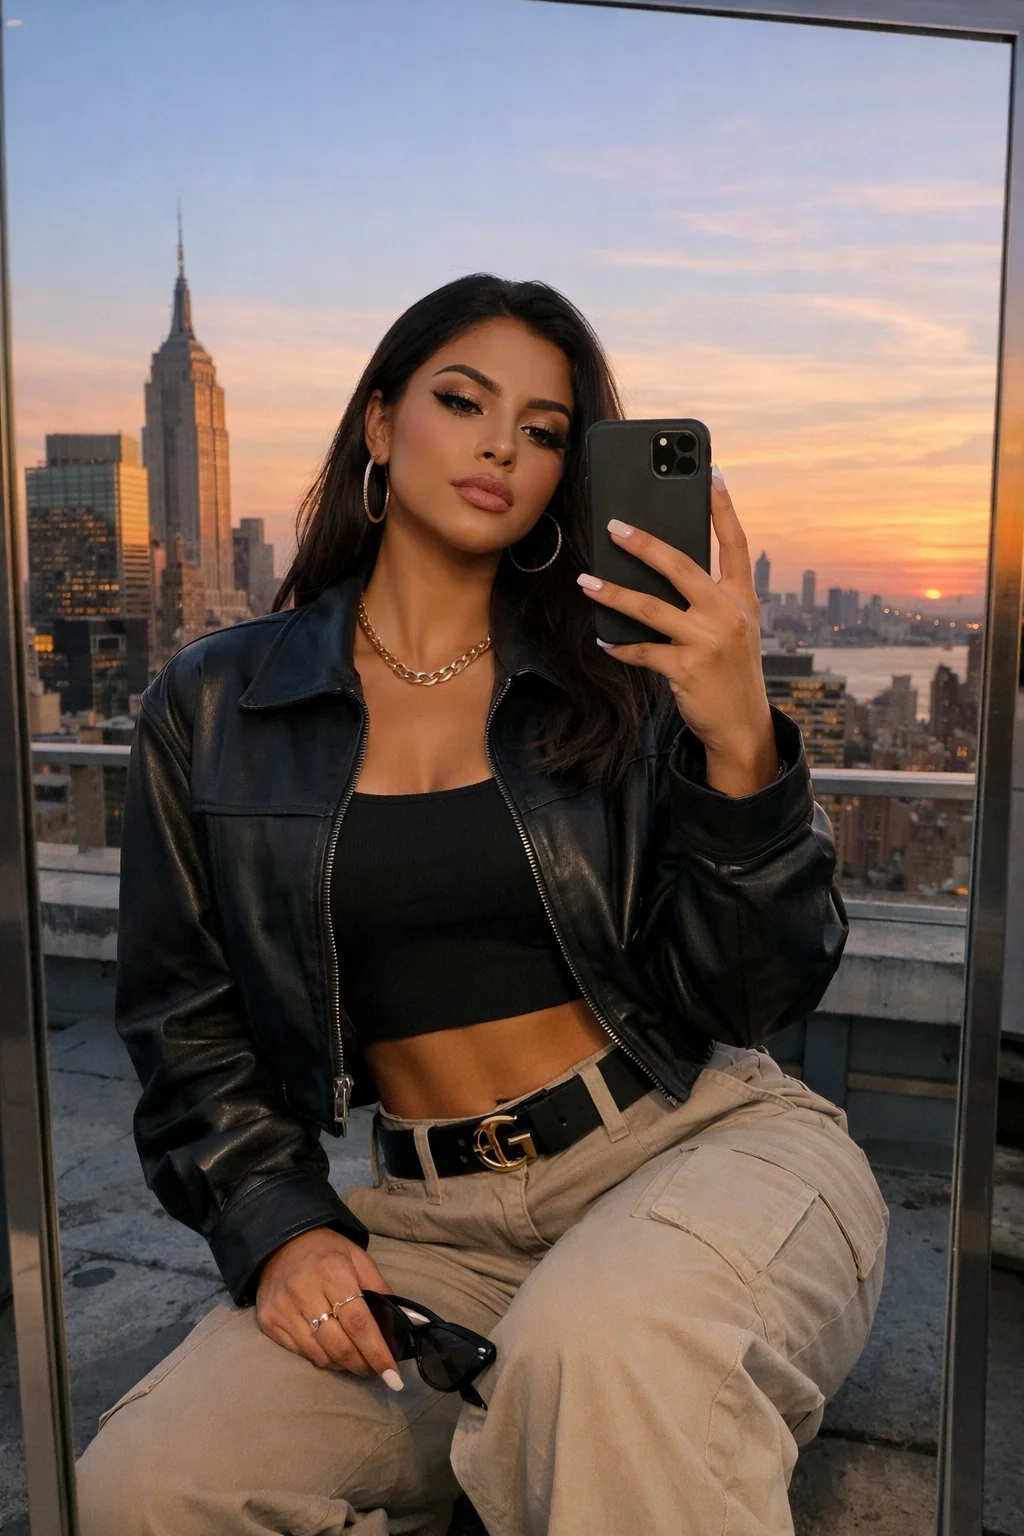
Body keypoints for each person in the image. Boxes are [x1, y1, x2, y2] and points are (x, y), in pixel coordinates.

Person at [76, 274, 887, 1536]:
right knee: (144, 1489)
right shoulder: (212, 704)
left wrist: (737, 740)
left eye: (547, 428)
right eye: (464, 400)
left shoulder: (622, 674)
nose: (504, 443)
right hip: (426, 1222)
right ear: (383, 422)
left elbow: (744, 998)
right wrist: (280, 1226)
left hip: (693, 1148)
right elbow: (185, 1018)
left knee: (597, 1354)